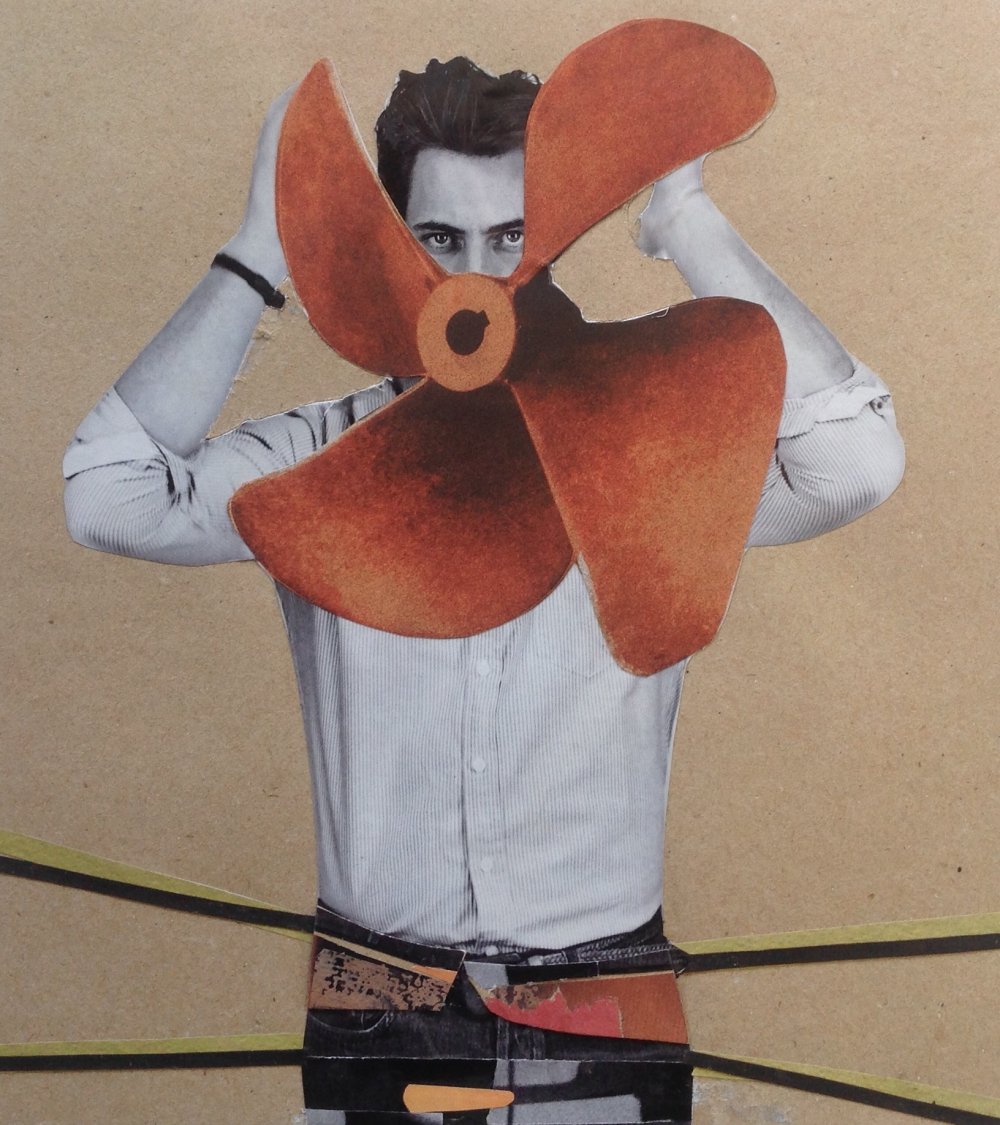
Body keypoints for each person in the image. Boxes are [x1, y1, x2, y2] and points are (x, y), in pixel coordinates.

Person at [63, 53, 904, 1125]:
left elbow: (853, 461)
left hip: (602, 987)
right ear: (390, 239)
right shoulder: (322, 456)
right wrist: (263, 249)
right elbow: (112, 494)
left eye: (509, 238)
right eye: (439, 239)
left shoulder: (649, 450)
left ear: (551, 236)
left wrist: (685, 221)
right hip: (375, 992)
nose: (477, 277)